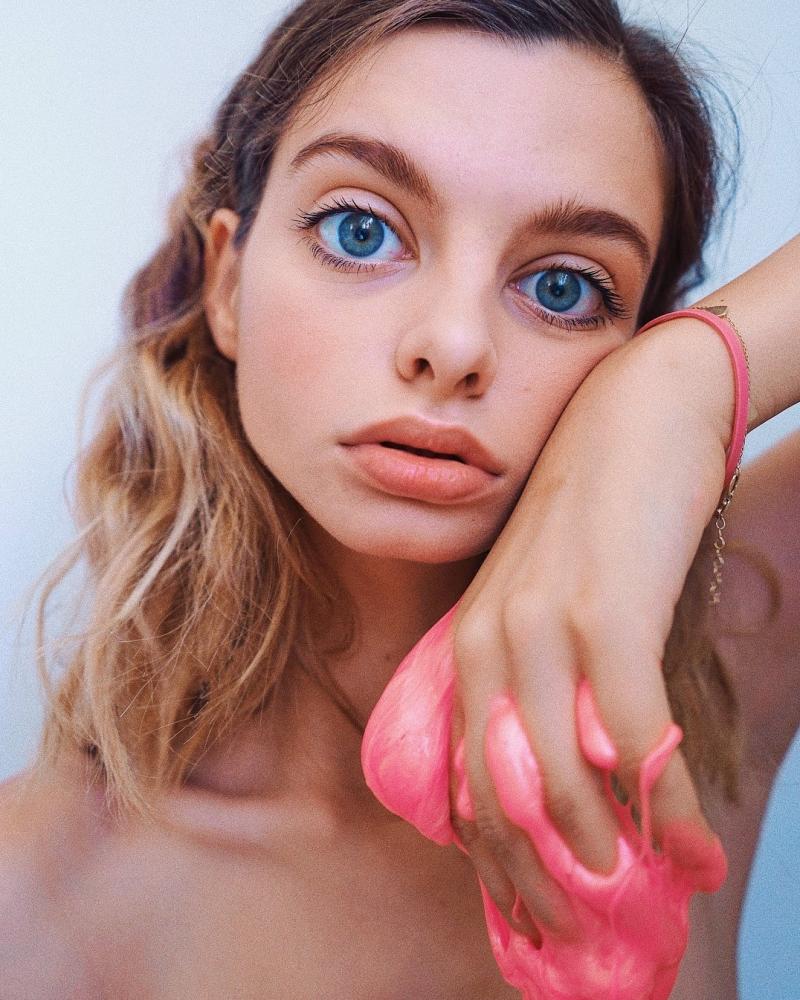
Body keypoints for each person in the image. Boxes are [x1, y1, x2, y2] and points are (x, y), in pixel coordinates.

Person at [1, 0, 797, 997]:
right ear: (227, 283)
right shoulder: (36, 892)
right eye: (361, 230)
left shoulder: (715, 671)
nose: (454, 345)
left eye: (563, 287)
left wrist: (677, 386)